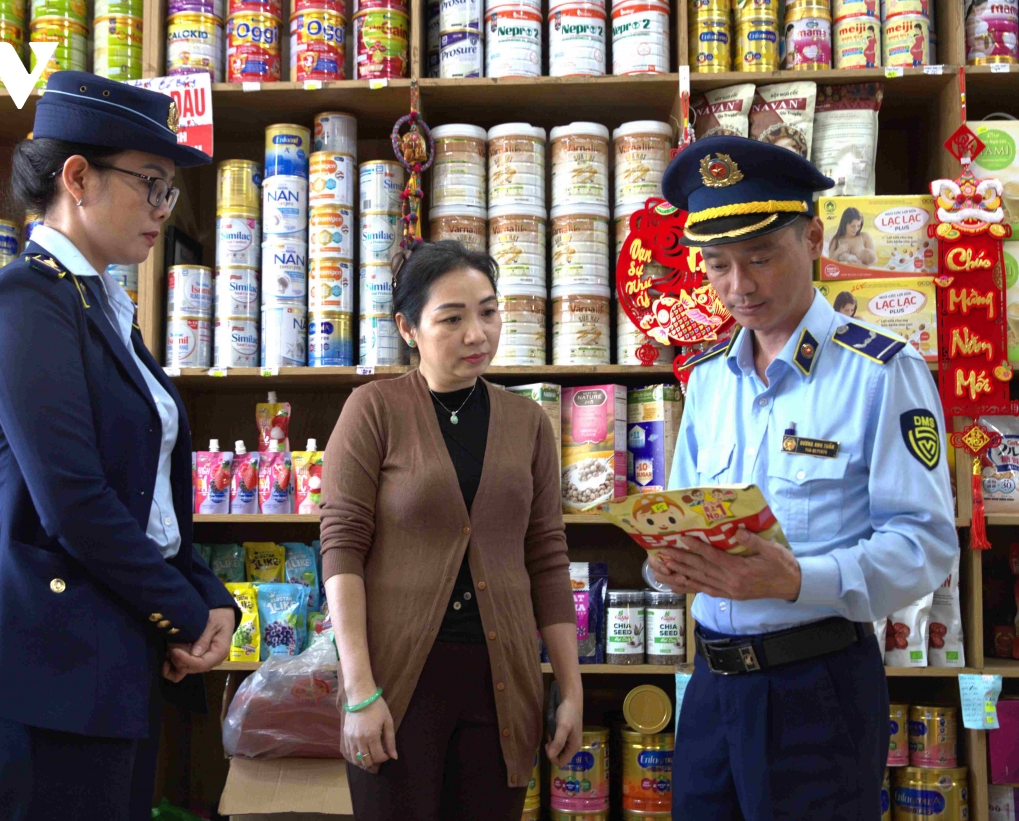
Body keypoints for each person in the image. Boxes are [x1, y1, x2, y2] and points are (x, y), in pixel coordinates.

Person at [0, 71, 239, 820]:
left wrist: (209, 596)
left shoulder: (101, 305)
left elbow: (141, 498)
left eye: (169, 191)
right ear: (77, 178)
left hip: (114, 658)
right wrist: (183, 611)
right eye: (151, 183)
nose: (163, 208)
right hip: (52, 668)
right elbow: (74, 501)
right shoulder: (24, 298)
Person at [655, 136, 958, 820]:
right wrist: (669, 562)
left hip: (817, 691)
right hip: (710, 687)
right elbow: (682, 513)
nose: (739, 286)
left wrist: (797, 579)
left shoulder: (881, 370)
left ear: (814, 238)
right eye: (718, 264)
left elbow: (925, 544)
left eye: (761, 257)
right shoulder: (708, 379)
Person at [319, 241, 583, 821]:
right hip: (397, 683)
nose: (476, 334)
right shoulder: (373, 409)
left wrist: (570, 688)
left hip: (503, 682)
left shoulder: (528, 422)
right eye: (452, 318)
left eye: (488, 312)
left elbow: (546, 556)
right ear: (408, 329)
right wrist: (359, 690)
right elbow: (341, 547)